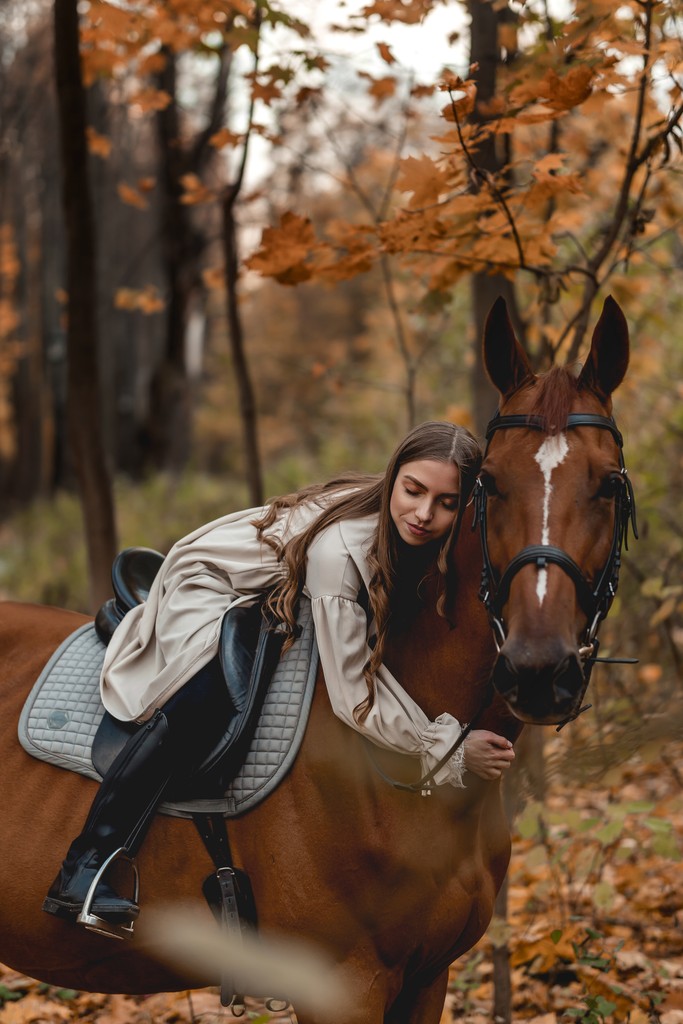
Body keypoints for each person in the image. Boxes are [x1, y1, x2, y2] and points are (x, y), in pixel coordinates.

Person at [43, 420, 515, 930]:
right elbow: (352, 696)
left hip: (280, 589)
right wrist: (445, 747)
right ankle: (86, 865)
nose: (424, 514)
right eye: (414, 490)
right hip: (214, 585)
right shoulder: (340, 556)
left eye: (447, 502)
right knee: (208, 696)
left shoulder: (412, 526)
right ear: (394, 475)